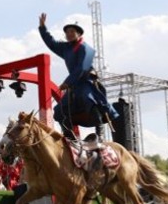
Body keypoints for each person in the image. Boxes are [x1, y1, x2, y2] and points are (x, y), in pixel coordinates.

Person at [38, 13, 117, 146]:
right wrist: (42, 28)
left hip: (86, 82)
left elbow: (81, 68)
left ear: (79, 34)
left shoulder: (87, 49)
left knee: (90, 100)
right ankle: (71, 139)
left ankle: (100, 134)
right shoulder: (65, 48)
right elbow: (51, 43)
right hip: (73, 86)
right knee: (58, 112)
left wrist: (67, 82)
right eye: (67, 32)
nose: (69, 34)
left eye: (72, 31)